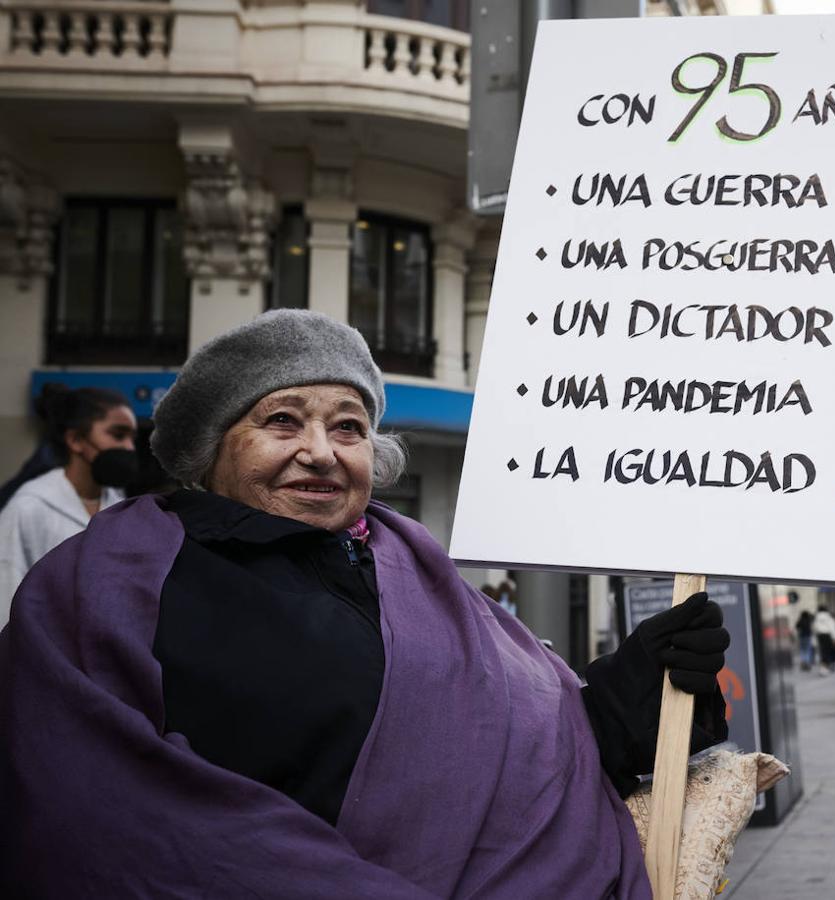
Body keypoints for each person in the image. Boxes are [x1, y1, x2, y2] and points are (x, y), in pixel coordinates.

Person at [0, 310, 730, 897]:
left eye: (348, 426)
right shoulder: (111, 575)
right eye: (282, 421)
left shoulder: (414, 563)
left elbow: (534, 737)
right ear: (210, 450)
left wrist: (636, 688)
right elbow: (105, 807)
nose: (322, 451)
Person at [0, 384, 137, 619]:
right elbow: (5, 591)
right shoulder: (29, 506)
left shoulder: (119, 503)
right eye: (118, 435)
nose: (129, 447)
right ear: (75, 440)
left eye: (132, 438)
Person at [812, 604, 835, 674]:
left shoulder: (816, 618)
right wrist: (834, 638)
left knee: (822, 651)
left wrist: (814, 639)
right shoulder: (829, 617)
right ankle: (826, 667)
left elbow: (814, 628)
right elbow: (832, 627)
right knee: (827, 651)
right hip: (827, 635)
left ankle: (823, 667)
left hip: (820, 635)